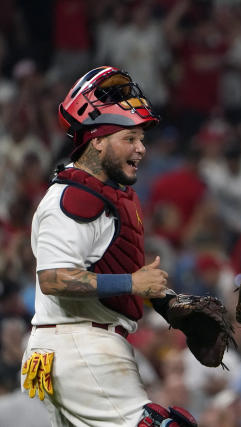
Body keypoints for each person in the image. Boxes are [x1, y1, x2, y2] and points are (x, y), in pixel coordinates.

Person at [21, 66, 193, 426]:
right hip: (82, 347)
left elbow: (106, 273)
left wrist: (165, 302)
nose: (141, 149)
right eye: (129, 138)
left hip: (71, 347)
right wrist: (132, 284)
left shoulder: (103, 196)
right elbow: (53, 278)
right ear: (96, 140)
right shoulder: (74, 197)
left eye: (142, 139)